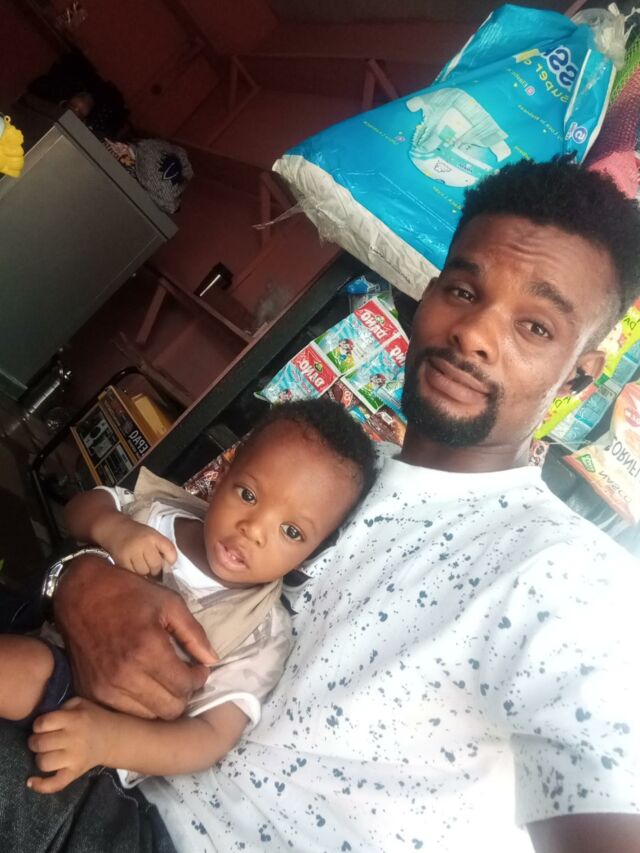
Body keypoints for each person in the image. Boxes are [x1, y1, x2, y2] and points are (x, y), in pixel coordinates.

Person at [2, 156, 640, 853]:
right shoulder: (332, 469)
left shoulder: (572, 581)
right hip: (91, 762)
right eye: (463, 290)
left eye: (536, 327)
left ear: (581, 373)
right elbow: (152, 537)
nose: (475, 334)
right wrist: (80, 579)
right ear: (428, 293)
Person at [0, 400, 375, 795]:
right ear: (223, 475)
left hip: (95, 719)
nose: (253, 529)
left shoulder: (262, 634)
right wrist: (111, 526)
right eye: (248, 495)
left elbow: (211, 736)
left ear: (310, 554)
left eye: (292, 532)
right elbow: (82, 507)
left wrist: (108, 739)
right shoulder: (161, 511)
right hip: (41, 613)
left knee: (25, 666)